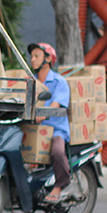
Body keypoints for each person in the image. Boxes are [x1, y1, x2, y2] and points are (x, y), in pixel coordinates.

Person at [28, 41, 70, 203]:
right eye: (32, 56)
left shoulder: (59, 82)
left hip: (56, 130)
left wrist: (44, 113)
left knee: (57, 152)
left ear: (48, 59)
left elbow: (56, 103)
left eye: (37, 56)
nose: (32, 60)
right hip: (35, 128)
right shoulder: (31, 82)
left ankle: (60, 185)